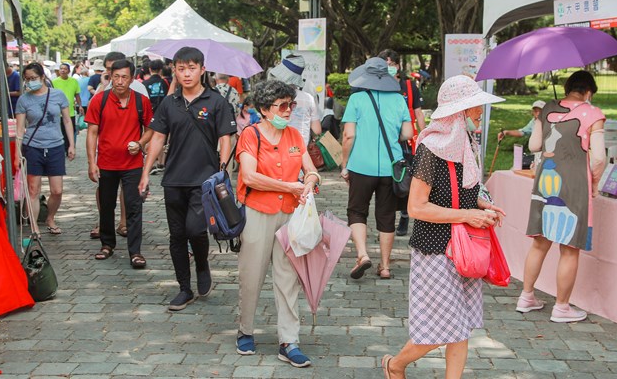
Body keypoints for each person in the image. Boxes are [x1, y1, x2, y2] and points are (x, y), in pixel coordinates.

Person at [381, 75, 504, 379]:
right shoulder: (431, 150)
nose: (479, 112)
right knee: (440, 330)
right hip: (436, 250)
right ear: (458, 112)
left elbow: (465, 191)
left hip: (464, 250)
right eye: (474, 106)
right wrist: (466, 215)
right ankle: (395, 365)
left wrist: (482, 204)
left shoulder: (467, 145)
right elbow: (416, 207)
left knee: (459, 328)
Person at [139, 47, 237, 311]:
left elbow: (225, 138)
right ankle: (184, 288)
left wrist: (223, 168)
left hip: (204, 181)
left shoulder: (216, 101)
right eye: (181, 68)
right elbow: (158, 137)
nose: (186, 73)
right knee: (177, 235)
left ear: (202, 70)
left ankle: (202, 264)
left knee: (195, 229)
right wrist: (145, 172)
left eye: (192, 68)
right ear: (175, 71)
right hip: (173, 179)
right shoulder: (169, 104)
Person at [233, 79, 321, 367]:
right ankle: (245, 329)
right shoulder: (250, 135)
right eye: (282, 106)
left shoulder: (295, 136)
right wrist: (289, 186)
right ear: (264, 110)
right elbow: (250, 176)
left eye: (290, 105)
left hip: (290, 216)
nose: (288, 111)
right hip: (257, 213)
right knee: (252, 275)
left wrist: (309, 181)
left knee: (288, 279)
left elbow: (310, 170)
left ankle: (289, 341)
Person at [518, 70, 606, 323]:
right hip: (575, 183)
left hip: (545, 181)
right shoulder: (594, 114)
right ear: (588, 92)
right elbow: (598, 158)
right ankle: (562, 307)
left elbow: (534, 146)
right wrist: (595, 183)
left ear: (567, 89)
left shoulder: (545, 109)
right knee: (569, 247)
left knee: (540, 241)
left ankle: (526, 297)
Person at [340, 57, 414, 280]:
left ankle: (362, 255)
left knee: (356, 211)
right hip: (391, 169)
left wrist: (345, 165)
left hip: (361, 166)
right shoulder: (399, 100)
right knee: (386, 216)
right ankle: (385, 267)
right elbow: (409, 134)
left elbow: (348, 135)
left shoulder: (356, 99)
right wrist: (393, 137)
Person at [86, 59, 154, 268]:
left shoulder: (142, 101)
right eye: (116, 76)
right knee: (106, 205)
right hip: (106, 162)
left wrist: (141, 143)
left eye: (124, 77)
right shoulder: (100, 100)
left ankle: (135, 252)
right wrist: (91, 162)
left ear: (132, 79)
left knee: (134, 207)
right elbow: (92, 133)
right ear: (110, 77)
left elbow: (151, 129)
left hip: (133, 164)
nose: (120, 81)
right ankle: (107, 244)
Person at [15, 63, 75, 235]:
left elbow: (67, 120)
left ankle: (50, 217)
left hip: (56, 145)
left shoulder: (58, 95)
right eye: (27, 79)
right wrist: (17, 154)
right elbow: (20, 129)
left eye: (33, 78)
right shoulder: (24, 100)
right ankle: (34, 227)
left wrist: (71, 144)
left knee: (57, 190)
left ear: (42, 77)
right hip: (33, 147)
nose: (30, 82)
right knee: (33, 190)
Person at [379, 49, 427, 237]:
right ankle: (389, 215)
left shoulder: (408, 86)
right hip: (386, 141)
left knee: (405, 178)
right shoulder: (378, 87)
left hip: (406, 141)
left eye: (392, 64)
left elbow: (418, 112)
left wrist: (424, 137)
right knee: (387, 180)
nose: (389, 68)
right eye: (385, 65)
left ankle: (405, 215)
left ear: (398, 66)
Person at [268, 55, 321, 151]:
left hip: (278, 148)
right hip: (301, 148)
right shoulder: (308, 97)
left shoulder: (275, 97)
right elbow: (317, 130)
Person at [52, 63, 82, 154]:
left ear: (68, 71)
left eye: (65, 69)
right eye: (61, 68)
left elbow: (77, 95)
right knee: (59, 132)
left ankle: (69, 148)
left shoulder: (74, 81)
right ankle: (61, 150)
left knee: (70, 132)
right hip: (57, 112)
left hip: (70, 112)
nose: (63, 70)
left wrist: (80, 106)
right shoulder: (54, 82)